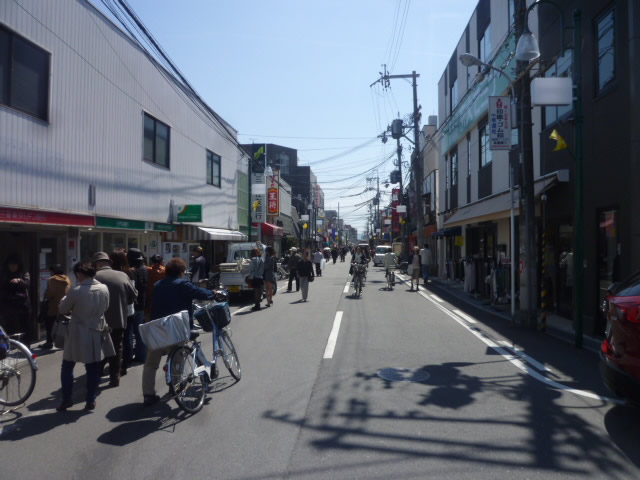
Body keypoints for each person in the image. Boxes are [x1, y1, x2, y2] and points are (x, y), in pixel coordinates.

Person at [142, 257, 214, 406]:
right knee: (178, 358)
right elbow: (200, 293)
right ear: (181, 272)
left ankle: (148, 394)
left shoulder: (157, 285)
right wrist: (214, 293)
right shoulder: (182, 284)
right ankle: (176, 386)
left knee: (150, 363)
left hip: (157, 328)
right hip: (176, 328)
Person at [56, 261, 111, 412]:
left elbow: (62, 309)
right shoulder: (104, 288)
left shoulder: (76, 291)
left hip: (76, 332)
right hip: (95, 331)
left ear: (80, 274)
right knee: (92, 368)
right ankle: (90, 400)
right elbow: (106, 307)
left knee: (67, 365)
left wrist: (63, 300)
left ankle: (67, 400)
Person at [94, 251, 137, 388]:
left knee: (96, 348)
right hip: (118, 318)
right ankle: (114, 377)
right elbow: (133, 295)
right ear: (109, 263)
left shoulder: (93, 277)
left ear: (96, 264)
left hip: (96, 320)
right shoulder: (122, 275)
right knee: (116, 348)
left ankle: (95, 375)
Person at [122, 248, 148, 369]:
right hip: (142, 304)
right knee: (140, 332)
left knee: (129, 333)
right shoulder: (145, 270)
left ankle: (128, 357)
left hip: (132, 305)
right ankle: (141, 355)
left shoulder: (132, 272)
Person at [0, 254, 32, 340]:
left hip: (22, 305)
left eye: (15, 265)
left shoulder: (23, 273)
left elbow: (27, 284)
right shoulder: (4, 274)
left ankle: (26, 347)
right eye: (11, 265)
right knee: (10, 329)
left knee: (25, 328)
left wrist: (20, 281)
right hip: (8, 307)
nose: (13, 267)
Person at [42, 264, 71, 349]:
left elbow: (50, 293)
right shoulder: (67, 278)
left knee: (49, 325)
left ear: (53, 271)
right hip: (64, 305)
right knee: (63, 325)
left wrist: (45, 295)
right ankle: (63, 342)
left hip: (53, 306)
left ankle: (49, 342)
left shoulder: (52, 279)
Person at [145, 254, 165, 322]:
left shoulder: (148, 270)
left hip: (149, 293)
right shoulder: (165, 270)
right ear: (161, 261)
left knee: (149, 315)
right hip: (161, 294)